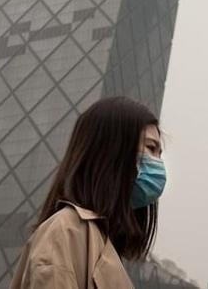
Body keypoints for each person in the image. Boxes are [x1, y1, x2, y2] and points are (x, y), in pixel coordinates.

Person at [9, 96, 167, 288]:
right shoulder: (65, 230)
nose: (158, 163)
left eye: (159, 154)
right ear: (112, 150)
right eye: (151, 148)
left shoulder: (102, 242)